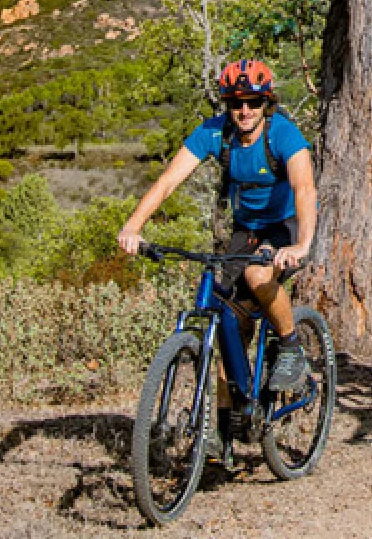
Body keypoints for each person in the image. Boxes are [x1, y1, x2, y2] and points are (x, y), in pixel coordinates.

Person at [117, 59, 317, 462]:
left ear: (267, 103)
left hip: (286, 225)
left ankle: (291, 344)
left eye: (253, 103)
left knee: (259, 271)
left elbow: (305, 188)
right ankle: (223, 427)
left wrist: (302, 245)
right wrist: (133, 226)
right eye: (236, 103)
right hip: (245, 230)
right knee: (220, 316)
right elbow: (169, 181)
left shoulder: (283, 134)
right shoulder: (215, 133)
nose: (244, 112)